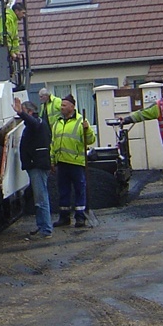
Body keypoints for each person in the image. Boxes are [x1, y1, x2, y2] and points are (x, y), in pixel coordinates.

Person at [50, 94, 96, 227]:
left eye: (64, 105)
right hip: (62, 163)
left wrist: (87, 129)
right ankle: (64, 217)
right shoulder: (57, 123)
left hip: (76, 163)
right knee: (63, 191)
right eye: (61, 105)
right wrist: (52, 160)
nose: (61, 107)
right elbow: (53, 143)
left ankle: (80, 217)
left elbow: (91, 140)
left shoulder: (81, 121)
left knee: (79, 190)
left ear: (72, 106)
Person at [13, 97, 52, 238]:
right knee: (39, 197)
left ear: (29, 112)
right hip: (35, 164)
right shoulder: (36, 124)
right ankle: (42, 226)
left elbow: (33, 124)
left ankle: (46, 229)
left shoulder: (37, 122)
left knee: (41, 198)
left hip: (38, 165)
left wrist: (21, 113)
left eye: (23, 112)